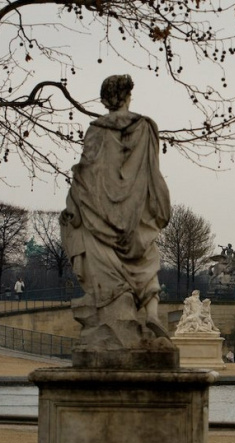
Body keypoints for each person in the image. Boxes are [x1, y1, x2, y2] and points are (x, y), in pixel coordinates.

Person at [60, 74, 171, 351]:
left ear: (106, 99)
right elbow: (151, 172)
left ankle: (112, 318)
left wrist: (74, 205)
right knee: (146, 259)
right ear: (127, 96)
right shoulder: (145, 126)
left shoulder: (96, 130)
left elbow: (85, 171)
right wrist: (159, 203)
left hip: (100, 212)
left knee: (108, 268)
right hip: (135, 210)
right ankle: (152, 314)